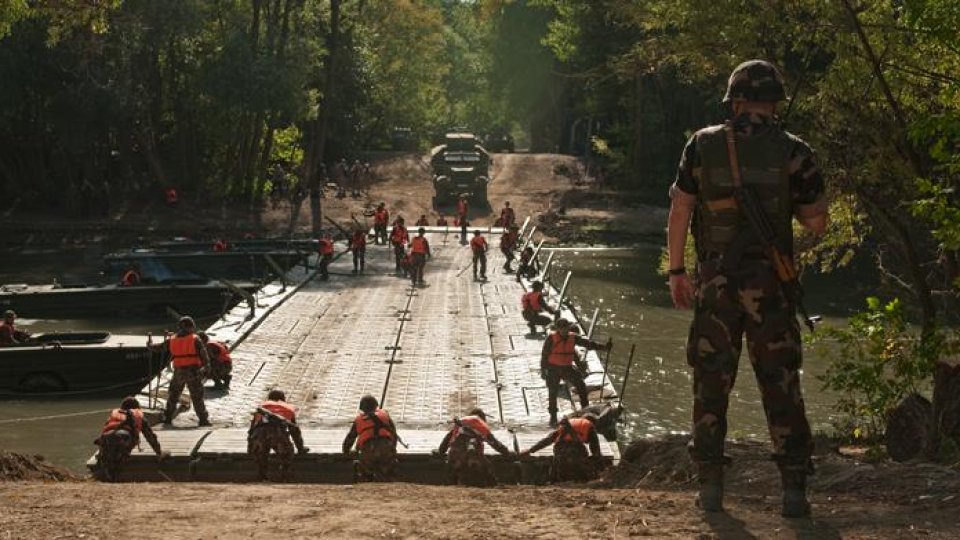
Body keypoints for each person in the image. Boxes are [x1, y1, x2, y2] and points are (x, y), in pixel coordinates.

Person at [666, 60, 827, 517]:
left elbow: (680, 210)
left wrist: (678, 271)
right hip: (772, 288)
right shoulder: (795, 150)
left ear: (734, 100)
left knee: (710, 384)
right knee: (781, 385)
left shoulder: (702, 144)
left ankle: (711, 487)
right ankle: (794, 490)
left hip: (715, 286)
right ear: (774, 102)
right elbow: (817, 223)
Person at [540, 318, 610, 427]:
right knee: (552, 392)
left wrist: (603, 347)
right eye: (562, 328)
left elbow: (588, 344)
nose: (564, 331)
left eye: (566, 328)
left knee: (581, 386)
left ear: (568, 327)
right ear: (558, 329)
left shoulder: (573, 337)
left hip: (567, 368)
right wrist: (543, 370)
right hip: (553, 368)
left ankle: (586, 411)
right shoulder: (551, 338)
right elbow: (544, 355)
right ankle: (553, 416)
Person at [154, 315, 211, 427]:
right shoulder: (195, 339)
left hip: (178, 372)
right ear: (190, 327)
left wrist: (150, 345)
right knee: (197, 396)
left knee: (173, 395)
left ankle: (168, 417)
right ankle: (203, 419)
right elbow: (204, 356)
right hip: (193, 371)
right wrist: (207, 367)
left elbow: (158, 348)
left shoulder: (172, 340)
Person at [94, 397, 167, 482]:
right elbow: (150, 436)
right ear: (137, 407)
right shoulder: (138, 415)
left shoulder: (115, 414)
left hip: (105, 438)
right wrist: (159, 452)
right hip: (123, 438)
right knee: (118, 462)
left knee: (107, 462)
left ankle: (105, 477)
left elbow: (106, 429)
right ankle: (113, 479)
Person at [435, 408, 513, 486]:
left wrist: (440, 452)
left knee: (452, 468)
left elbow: (447, 440)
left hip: (455, 457)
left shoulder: (461, 423)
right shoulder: (480, 424)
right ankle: (493, 484)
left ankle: (451, 482)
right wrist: (507, 453)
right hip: (472, 460)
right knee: (487, 468)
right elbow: (495, 443)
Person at [247, 389, 310, 481]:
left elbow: (252, 428)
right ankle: (284, 477)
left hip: (259, 433)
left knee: (261, 454)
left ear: (269, 398)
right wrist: (300, 448)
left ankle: (262, 476)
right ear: (283, 399)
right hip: (277, 433)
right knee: (287, 454)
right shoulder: (288, 408)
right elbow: (294, 430)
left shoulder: (262, 406)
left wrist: (250, 446)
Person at [520, 414, 603, 482]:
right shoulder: (589, 426)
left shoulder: (569, 423)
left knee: (562, 463)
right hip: (575, 450)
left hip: (560, 449)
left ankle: (559, 476)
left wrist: (531, 450)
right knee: (583, 456)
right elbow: (595, 449)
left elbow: (548, 439)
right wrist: (597, 463)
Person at [342, 395, 398, 482]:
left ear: (362, 408)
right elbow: (393, 433)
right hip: (386, 447)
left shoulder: (359, 420)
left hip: (368, 449)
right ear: (376, 406)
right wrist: (393, 448)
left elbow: (350, 438)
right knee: (387, 469)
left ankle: (367, 480)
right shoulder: (384, 415)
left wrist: (346, 452)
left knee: (365, 471)